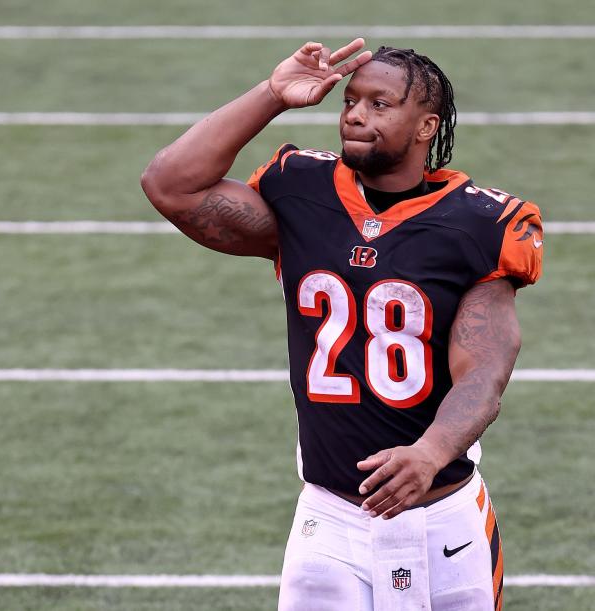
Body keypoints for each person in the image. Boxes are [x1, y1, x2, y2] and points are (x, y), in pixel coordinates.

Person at [141, 38, 542, 611]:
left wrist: (429, 452)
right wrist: (271, 95)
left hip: (442, 520)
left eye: (380, 104)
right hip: (329, 518)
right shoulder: (302, 191)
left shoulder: (479, 222)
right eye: (351, 101)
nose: (354, 113)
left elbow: (485, 370)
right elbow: (171, 185)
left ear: (427, 126)